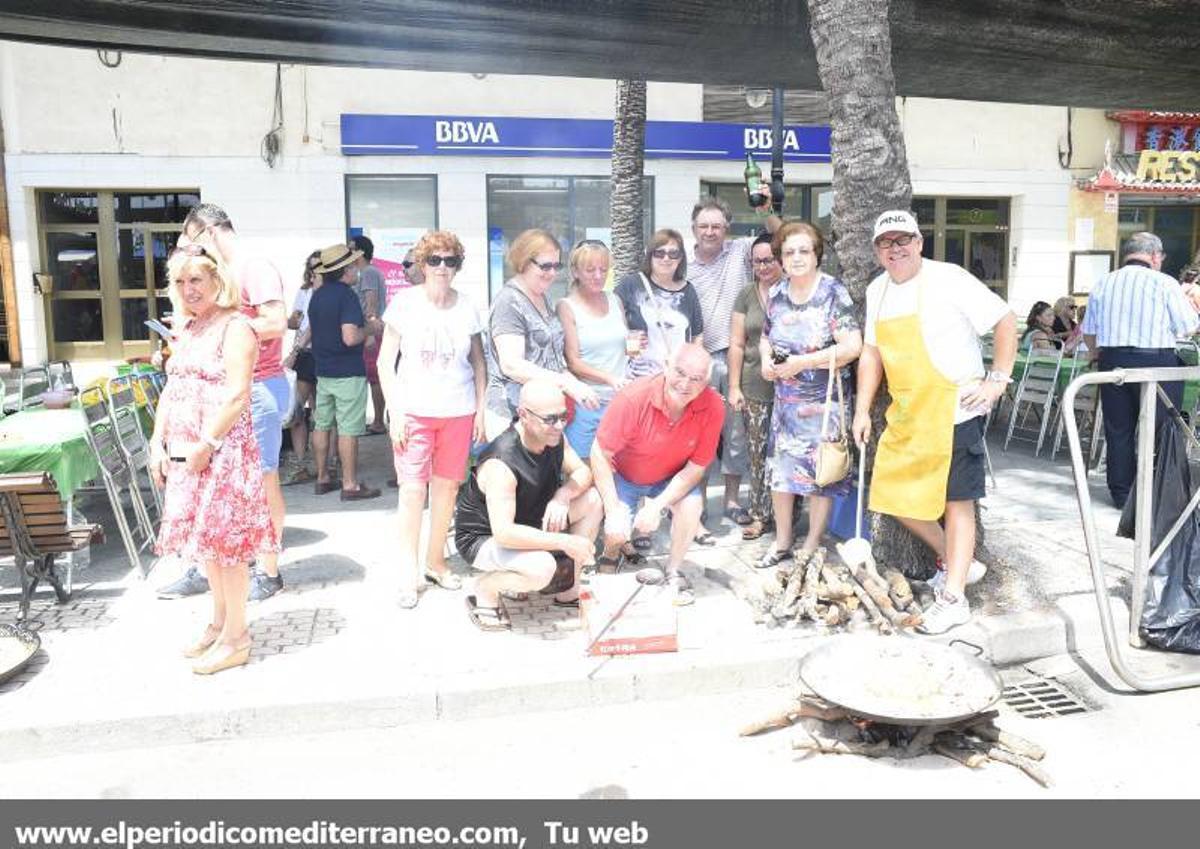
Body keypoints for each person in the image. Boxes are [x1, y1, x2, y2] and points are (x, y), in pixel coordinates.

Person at [853, 210, 1018, 635]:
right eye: (886, 242)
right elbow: (871, 354)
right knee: (889, 493)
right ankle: (960, 559)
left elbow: (1004, 321)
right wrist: (860, 408)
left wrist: (997, 379)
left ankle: (954, 597)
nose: (896, 248)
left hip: (954, 408)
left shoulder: (949, 278)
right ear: (877, 250)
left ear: (919, 242)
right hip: (908, 412)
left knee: (955, 502)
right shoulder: (877, 291)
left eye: (903, 239)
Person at [150, 245, 276, 674]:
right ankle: (220, 623)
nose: (189, 289)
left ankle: (237, 637)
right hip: (189, 449)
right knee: (205, 544)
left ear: (216, 281)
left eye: (196, 280)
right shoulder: (189, 327)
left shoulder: (236, 327)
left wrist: (206, 443)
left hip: (221, 451)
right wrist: (156, 442)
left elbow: (237, 395)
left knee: (227, 546)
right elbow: (172, 388)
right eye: (181, 282)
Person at [158, 203, 289, 603]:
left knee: (261, 482)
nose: (191, 255)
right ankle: (204, 567)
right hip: (220, 393)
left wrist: (225, 330)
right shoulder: (225, 273)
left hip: (258, 387)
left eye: (191, 243)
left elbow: (277, 322)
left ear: (208, 231)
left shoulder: (254, 267)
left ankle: (268, 572)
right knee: (213, 488)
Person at [377, 231, 487, 609]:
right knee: (411, 491)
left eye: (450, 261)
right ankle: (408, 567)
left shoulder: (468, 306)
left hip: (458, 410)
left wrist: (481, 409)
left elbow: (478, 362)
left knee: (447, 490)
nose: (442, 267)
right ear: (422, 265)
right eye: (435, 260)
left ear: (458, 266)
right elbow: (384, 361)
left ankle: (435, 560)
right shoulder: (404, 304)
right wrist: (393, 411)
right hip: (414, 411)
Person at [454, 379, 603, 631]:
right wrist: (566, 542)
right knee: (542, 567)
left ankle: (567, 587)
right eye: (550, 419)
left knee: (593, 501)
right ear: (523, 415)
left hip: (530, 518)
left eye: (563, 416)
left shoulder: (553, 436)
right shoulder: (501, 463)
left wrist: (563, 495)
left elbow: (582, 472)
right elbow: (504, 533)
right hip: (484, 537)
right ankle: (487, 589)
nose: (559, 425)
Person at [757, 222, 862, 569]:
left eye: (804, 250)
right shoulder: (777, 293)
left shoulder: (833, 293)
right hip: (786, 404)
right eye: (789, 252)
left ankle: (813, 542)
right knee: (782, 475)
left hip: (824, 403)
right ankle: (783, 540)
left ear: (817, 254)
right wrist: (765, 361)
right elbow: (767, 337)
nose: (797, 258)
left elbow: (852, 347)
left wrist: (802, 362)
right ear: (781, 259)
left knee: (822, 476)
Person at [590, 344, 725, 606]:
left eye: (696, 379)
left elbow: (696, 468)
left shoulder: (713, 407)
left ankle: (674, 569)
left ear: (707, 381)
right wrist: (613, 508)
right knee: (616, 529)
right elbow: (599, 452)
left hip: (670, 477)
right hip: (626, 475)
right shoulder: (633, 397)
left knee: (692, 504)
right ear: (665, 366)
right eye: (680, 373)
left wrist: (658, 506)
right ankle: (611, 554)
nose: (685, 384)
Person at [687, 196, 782, 538]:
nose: (710, 232)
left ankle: (730, 501)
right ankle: (693, 503)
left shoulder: (741, 251)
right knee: (696, 438)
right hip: (697, 362)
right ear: (693, 229)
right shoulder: (682, 260)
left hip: (734, 359)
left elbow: (782, 238)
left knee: (736, 437)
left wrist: (765, 211)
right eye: (703, 226)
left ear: (727, 228)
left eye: (717, 226)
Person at [1081, 231, 1199, 507]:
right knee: (1163, 428)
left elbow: (1089, 332)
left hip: (1113, 360)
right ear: (1155, 256)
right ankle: (1160, 492)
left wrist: (1099, 352)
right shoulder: (1164, 283)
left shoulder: (1104, 282)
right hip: (1156, 361)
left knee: (1118, 428)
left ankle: (1122, 494)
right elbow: (1188, 326)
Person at [484, 228, 598, 440]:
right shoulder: (508, 302)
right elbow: (511, 365)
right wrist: (567, 383)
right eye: (545, 266)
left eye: (556, 266)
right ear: (524, 263)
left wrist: (575, 384)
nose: (552, 273)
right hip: (513, 414)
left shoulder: (541, 297)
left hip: (545, 415)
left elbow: (551, 357)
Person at [308, 243, 382, 501]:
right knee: (349, 429)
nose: (357, 270)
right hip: (348, 372)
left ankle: (322, 478)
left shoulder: (317, 295)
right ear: (344, 270)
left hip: (323, 370)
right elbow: (350, 337)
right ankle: (350, 485)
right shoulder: (347, 296)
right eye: (352, 266)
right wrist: (372, 329)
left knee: (322, 424)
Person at [728, 233, 780, 541]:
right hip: (753, 386)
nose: (763, 266)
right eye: (757, 261)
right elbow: (737, 343)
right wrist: (734, 387)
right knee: (758, 454)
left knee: (788, 455)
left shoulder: (795, 290)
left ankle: (788, 518)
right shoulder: (746, 295)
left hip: (793, 390)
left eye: (769, 259)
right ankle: (761, 515)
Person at [558, 240, 628, 460]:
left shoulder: (615, 300)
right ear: (575, 271)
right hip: (587, 403)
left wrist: (635, 346)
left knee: (619, 470)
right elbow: (573, 362)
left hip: (620, 401)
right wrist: (609, 379)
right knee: (582, 469)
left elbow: (623, 345)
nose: (598, 276)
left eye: (603, 270)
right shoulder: (566, 306)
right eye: (590, 270)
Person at [614, 229, 705, 379]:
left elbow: (697, 334)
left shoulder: (688, 291)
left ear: (681, 258)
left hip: (676, 378)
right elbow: (610, 321)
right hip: (639, 378)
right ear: (650, 256)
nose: (666, 258)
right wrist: (627, 338)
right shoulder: (631, 285)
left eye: (673, 253)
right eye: (659, 253)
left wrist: (694, 369)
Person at [281, 250, 321, 486]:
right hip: (305, 354)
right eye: (312, 267)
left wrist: (294, 352)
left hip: (319, 353)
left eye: (320, 267)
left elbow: (314, 325)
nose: (316, 272)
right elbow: (297, 322)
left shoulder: (330, 292)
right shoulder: (305, 291)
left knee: (323, 414)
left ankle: (325, 463)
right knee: (296, 410)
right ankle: (300, 463)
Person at [349, 235, 388, 435]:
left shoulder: (369, 272)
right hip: (366, 331)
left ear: (361, 252)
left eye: (351, 248)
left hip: (372, 333)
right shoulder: (364, 272)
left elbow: (371, 302)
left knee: (374, 377)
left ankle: (379, 422)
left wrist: (371, 332)